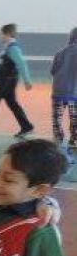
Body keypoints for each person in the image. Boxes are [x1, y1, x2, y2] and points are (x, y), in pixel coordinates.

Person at [51, 27, 77, 160]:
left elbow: (53, 71)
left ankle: (61, 145)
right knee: (75, 120)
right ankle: (74, 142)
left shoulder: (60, 52)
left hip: (58, 92)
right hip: (74, 93)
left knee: (57, 120)